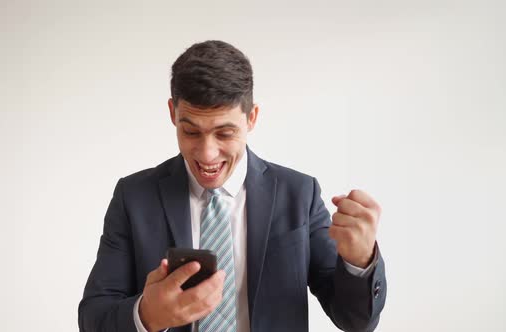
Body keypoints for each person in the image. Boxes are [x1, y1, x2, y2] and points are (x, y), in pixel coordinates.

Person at [78, 40, 387, 332]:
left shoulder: (299, 194)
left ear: (251, 118)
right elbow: (93, 316)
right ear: (173, 114)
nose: (207, 153)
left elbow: (355, 320)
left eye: (224, 133)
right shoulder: (134, 198)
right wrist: (147, 315)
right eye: (191, 132)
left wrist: (358, 261)